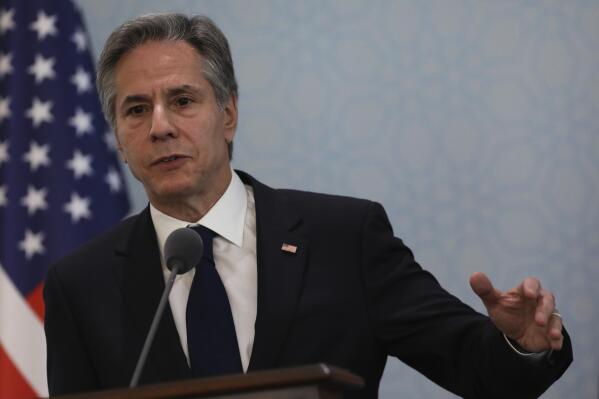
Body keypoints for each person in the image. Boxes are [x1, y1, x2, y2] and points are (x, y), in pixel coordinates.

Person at [43, 13, 572, 398]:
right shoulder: (80, 284)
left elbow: (477, 369)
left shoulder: (345, 238)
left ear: (227, 114)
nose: (160, 126)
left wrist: (521, 343)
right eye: (137, 109)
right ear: (117, 136)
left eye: (182, 100)